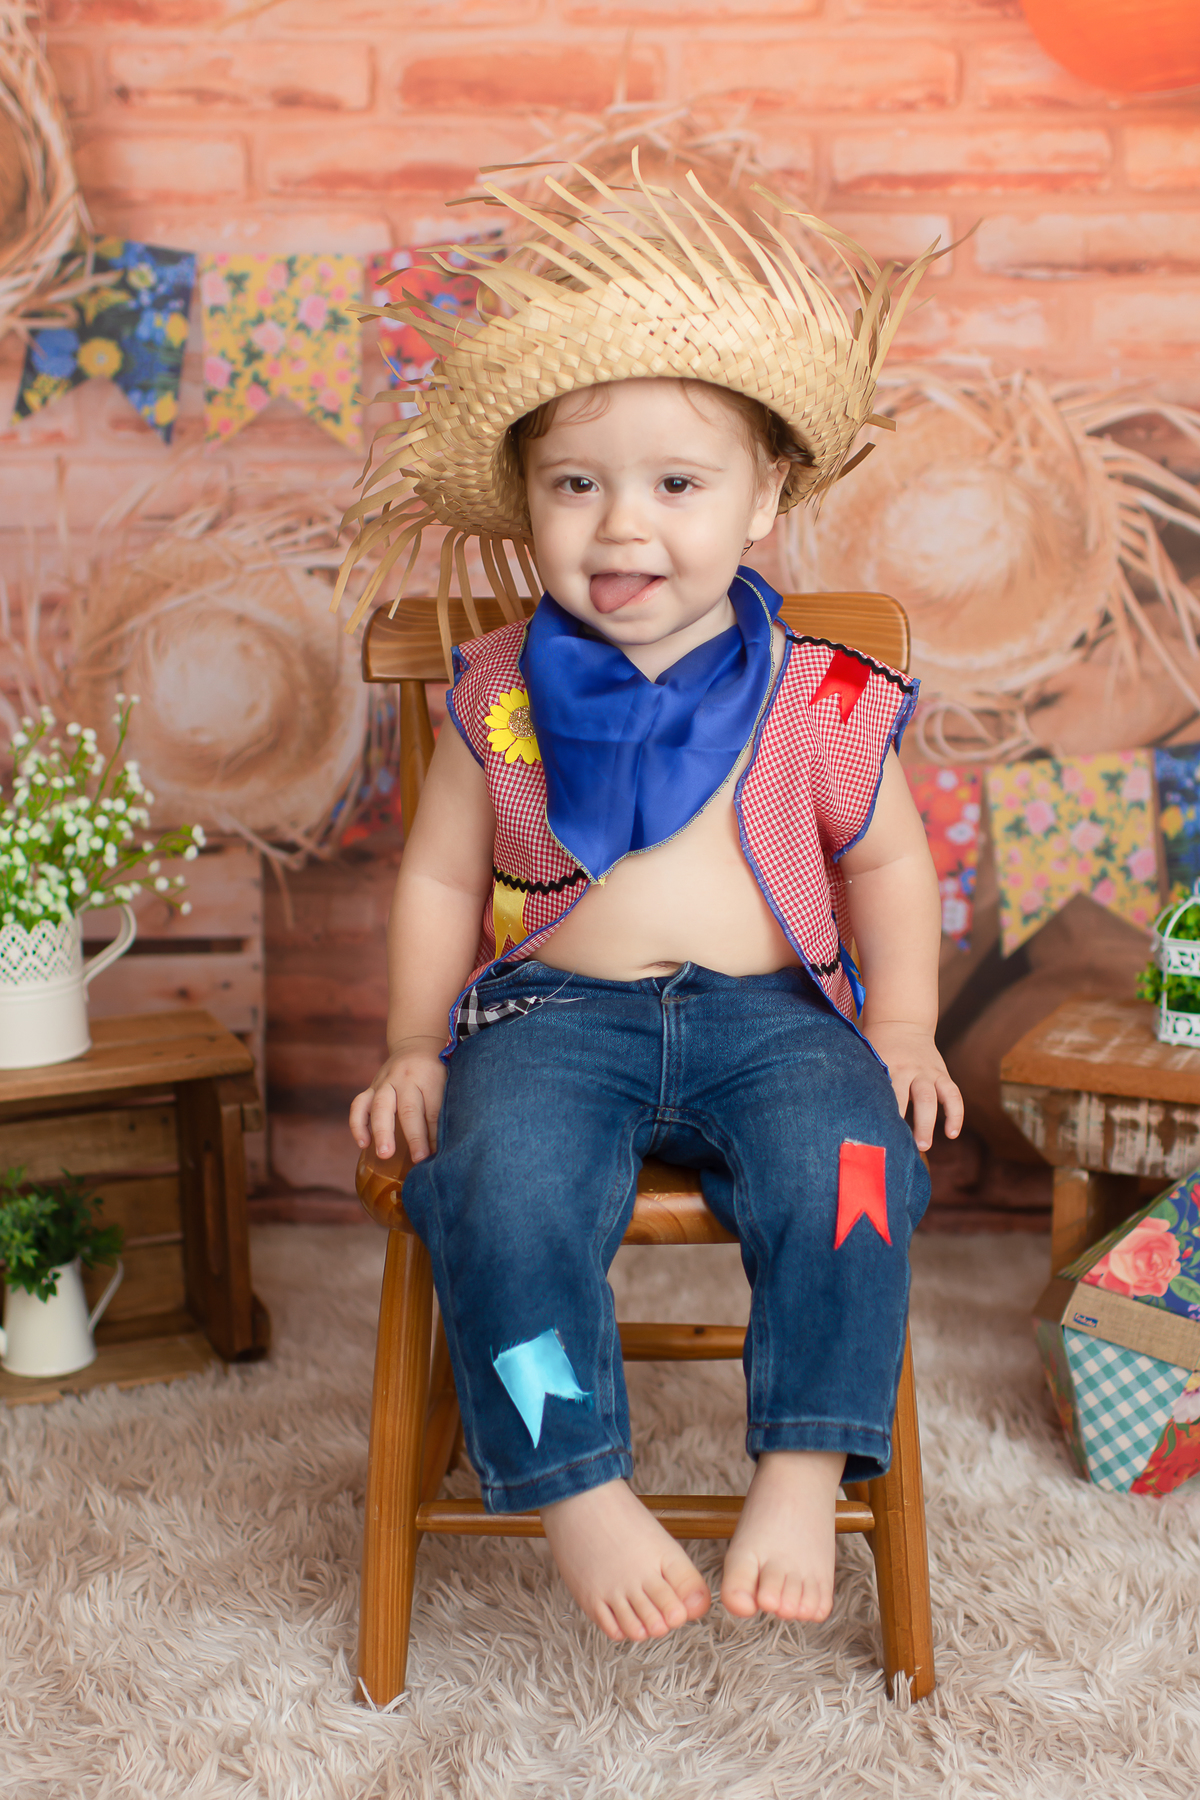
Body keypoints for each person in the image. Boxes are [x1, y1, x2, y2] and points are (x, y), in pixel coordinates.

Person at [346, 160, 963, 1648]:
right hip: (555, 1016)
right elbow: (439, 874)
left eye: (678, 484)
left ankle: (806, 1462)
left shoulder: (815, 692)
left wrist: (908, 1025)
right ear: (532, 505)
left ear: (764, 501)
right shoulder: (501, 693)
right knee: (495, 1186)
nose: (623, 525)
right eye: (578, 483)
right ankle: (572, 1481)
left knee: (856, 1174)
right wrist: (415, 1047)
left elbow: (885, 863)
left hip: (774, 1020)